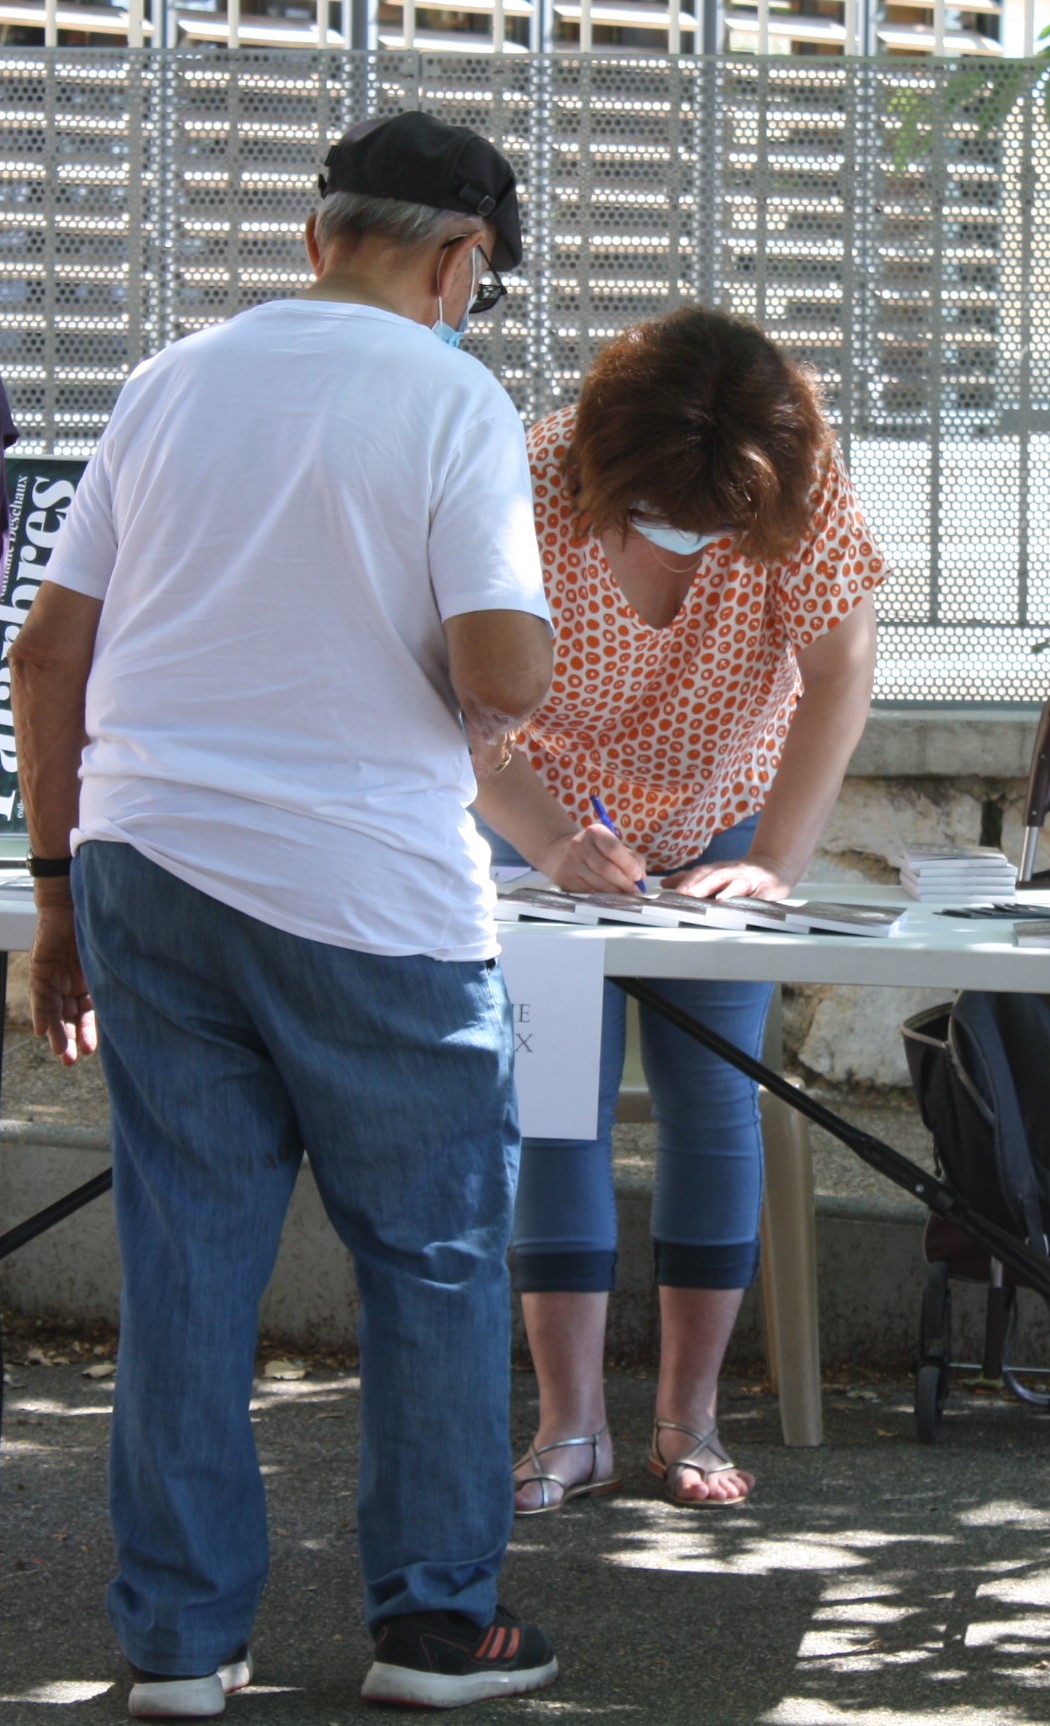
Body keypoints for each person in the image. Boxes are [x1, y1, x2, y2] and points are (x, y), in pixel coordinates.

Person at [9, 112, 560, 1716]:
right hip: (366, 892)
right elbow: (501, 672)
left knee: (186, 1256)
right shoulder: (455, 397)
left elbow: (48, 651)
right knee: (436, 1259)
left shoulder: (167, 381)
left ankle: (179, 1644)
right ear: (459, 262)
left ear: (320, 235)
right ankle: (436, 1629)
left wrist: (57, 899)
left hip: (144, 863)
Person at [474, 306, 886, 1513]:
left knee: (717, 1101)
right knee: (557, 1110)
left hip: (727, 819)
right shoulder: (524, 477)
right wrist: (549, 838)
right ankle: (572, 1426)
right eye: (664, 517)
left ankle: (687, 1418)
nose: (689, 546)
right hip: (541, 830)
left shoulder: (800, 479)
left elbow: (842, 674)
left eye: (718, 528)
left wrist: (779, 863)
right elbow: (455, 699)